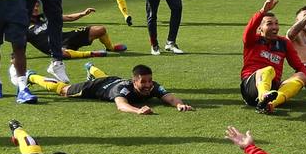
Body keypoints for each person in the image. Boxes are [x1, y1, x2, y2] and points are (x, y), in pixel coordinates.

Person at [241, 0, 306, 114]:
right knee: (268, 70)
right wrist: (263, 11)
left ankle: (270, 104)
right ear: (260, 28)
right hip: (251, 88)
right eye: (269, 24)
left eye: (276, 23)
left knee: (301, 75)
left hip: (273, 90)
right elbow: (248, 31)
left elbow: (299, 66)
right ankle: (263, 96)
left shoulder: (284, 43)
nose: (274, 27)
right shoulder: (252, 40)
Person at [27, 62, 192, 115]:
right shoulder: (123, 89)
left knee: (104, 76)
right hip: (96, 87)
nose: (148, 85)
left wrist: (179, 104)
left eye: (150, 81)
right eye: (143, 82)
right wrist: (138, 110)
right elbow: (121, 105)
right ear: (135, 81)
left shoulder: (152, 86)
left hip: (110, 79)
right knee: (63, 90)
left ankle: (91, 68)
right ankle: (32, 77)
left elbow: (168, 96)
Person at [27, 5, 127, 59]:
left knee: (100, 30)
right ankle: (91, 54)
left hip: (68, 37)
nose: (36, 8)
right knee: (60, 53)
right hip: (57, 49)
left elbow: (68, 17)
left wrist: (83, 13)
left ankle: (111, 48)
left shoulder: (45, 16)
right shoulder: (24, 29)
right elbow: (18, 45)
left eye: (37, 5)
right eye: (33, 6)